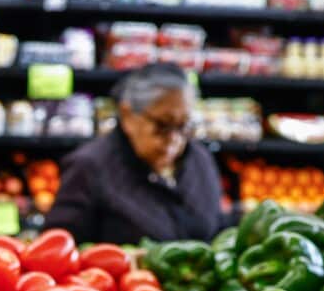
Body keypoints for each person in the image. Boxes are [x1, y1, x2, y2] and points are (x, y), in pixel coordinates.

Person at [45, 63, 226, 244]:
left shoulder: (200, 160)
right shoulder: (89, 167)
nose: (174, 138)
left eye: (183, 126)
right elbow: (58, 247)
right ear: (127, 115)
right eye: (162, 125)